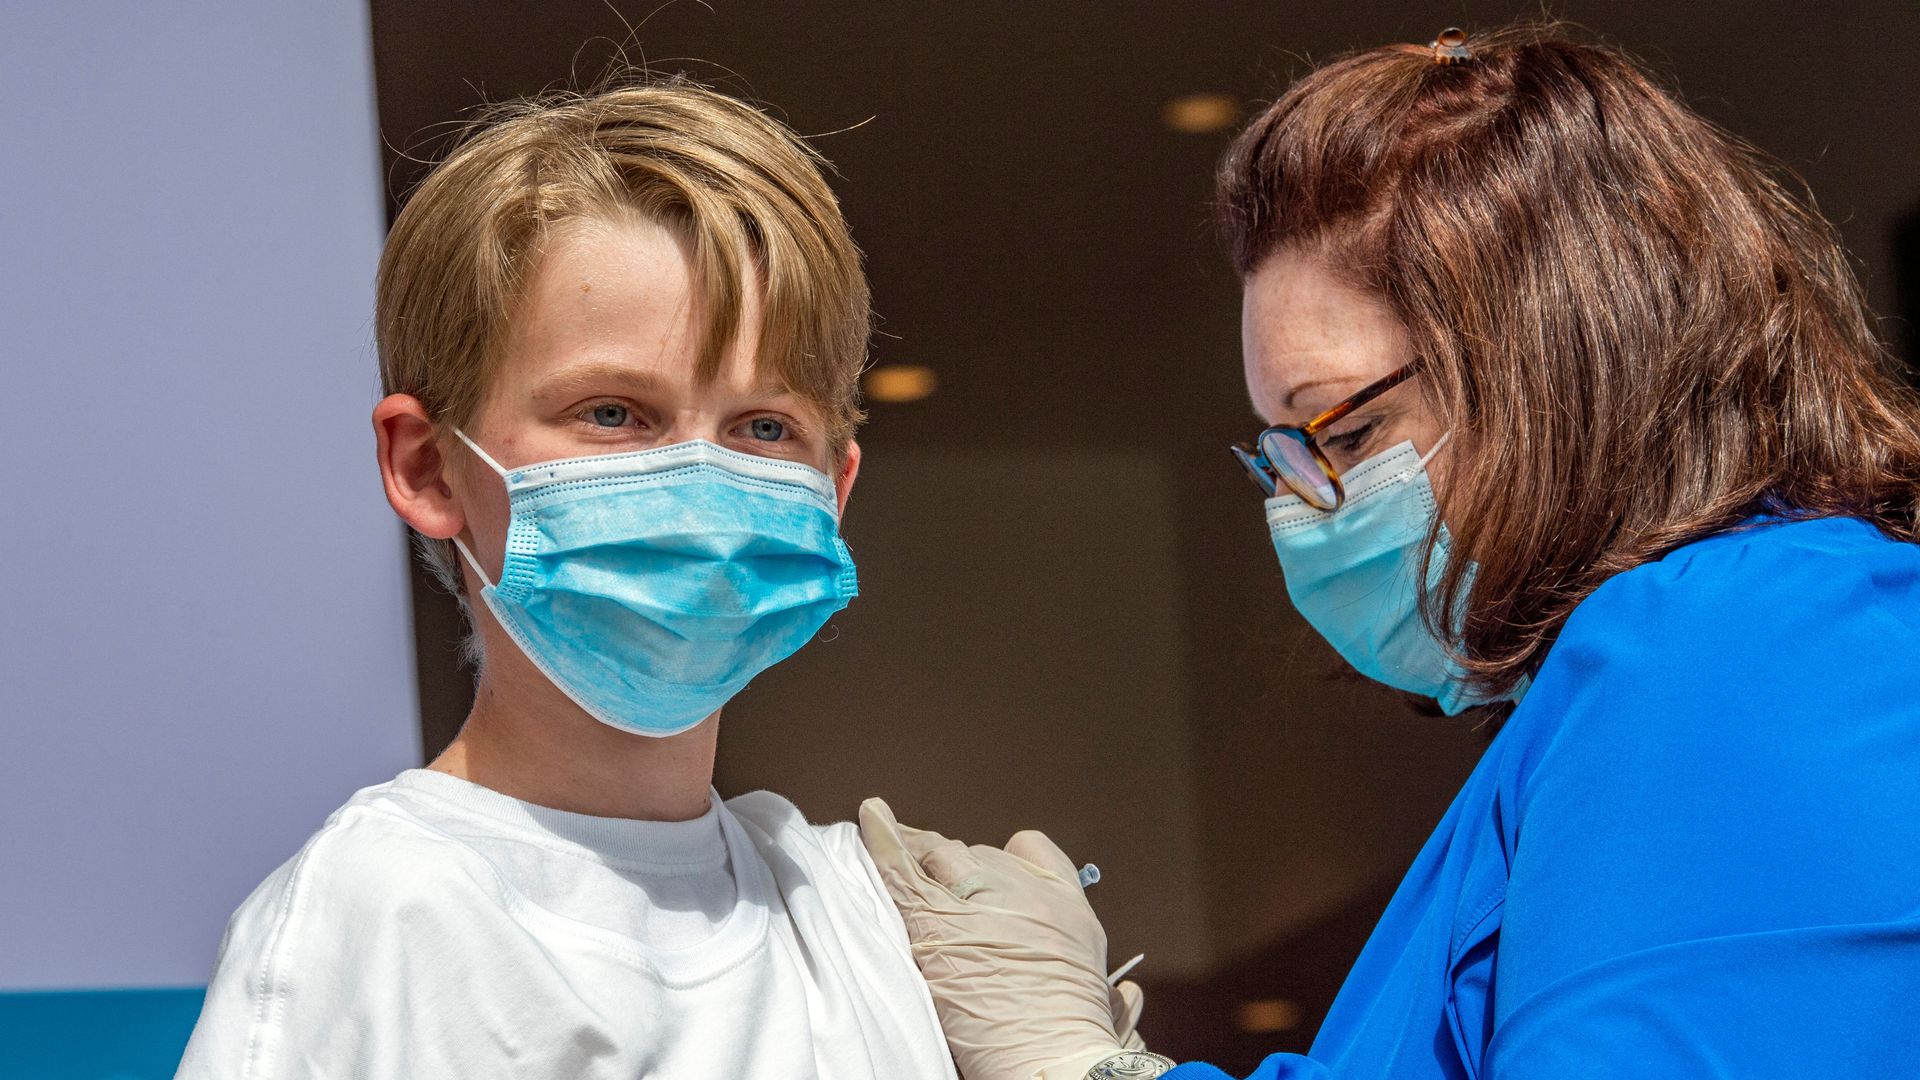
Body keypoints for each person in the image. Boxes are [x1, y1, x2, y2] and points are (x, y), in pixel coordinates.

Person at [860, 22, 1920, 1080]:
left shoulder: (1743, 646)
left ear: (1554, 363)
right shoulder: (1632, 693)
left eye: (1347, 436)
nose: (1299, 512)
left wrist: (1083, 1070)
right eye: (1277, 459)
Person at [176, 78, 965, 1078]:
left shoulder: (860, 914)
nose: (701, 479)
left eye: (764, 429)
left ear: (832, 492)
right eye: (613, 414)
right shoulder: (383, 917)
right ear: (427, 465)